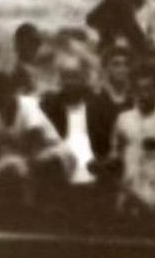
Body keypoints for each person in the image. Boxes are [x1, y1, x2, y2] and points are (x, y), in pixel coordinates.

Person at [0, 70, 74, 206]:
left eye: (0, 99)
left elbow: (33, 146)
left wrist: (9, 162)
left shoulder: (28, 106)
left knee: (33, 166)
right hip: (21, 157)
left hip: (51, 155)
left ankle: (37, 207)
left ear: (8, 94)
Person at [111, 63, 155, 216]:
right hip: (127, 191)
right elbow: (116, 154)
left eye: (149, 89)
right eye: (139, 90)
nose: (144, 95)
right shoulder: (123, 119)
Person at [40, 57, 118, 186]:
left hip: (95, 179)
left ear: (83, 79)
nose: (70, 82)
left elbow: (112, 143)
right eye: (66, 77)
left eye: (74, 76)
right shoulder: (50, 108)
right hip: (61, 182)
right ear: (60, 79)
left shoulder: (100, 106)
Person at [10, 23, 52, 97]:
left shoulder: (37, 69)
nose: (37, 46)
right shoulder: (19, 75)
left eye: (36, 43)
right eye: (32, 43)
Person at [99, 47, 135, 113]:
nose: (122, 69)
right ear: (106, 68)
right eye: (116, 64)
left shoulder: (135, 97)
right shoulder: (97, 98)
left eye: (126, 64)